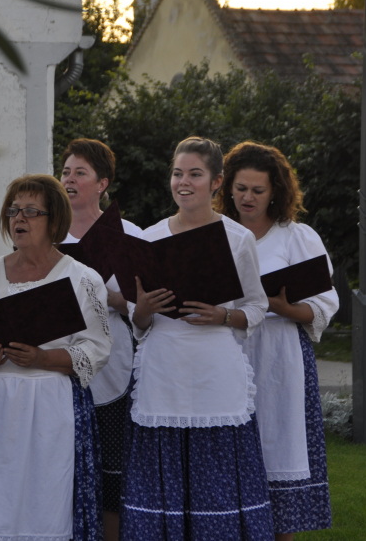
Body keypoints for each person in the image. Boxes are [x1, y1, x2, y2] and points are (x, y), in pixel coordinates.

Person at [0, 174, 112, 541]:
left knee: (45, 507)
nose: (19, 219)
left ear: (55, 220)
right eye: (13, 210)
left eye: (31, 211)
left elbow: (97, 349)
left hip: (51, 405)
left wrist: (43, 358)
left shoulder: (82, 279)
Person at [120, 137, 274, 540]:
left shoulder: (238, 238)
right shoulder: (149, 238)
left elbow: (257, 307)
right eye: (177, 173)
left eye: (194, 174)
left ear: (216, 181)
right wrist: (143, 310)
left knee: (216, 477)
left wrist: (223, 314)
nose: (183, 182)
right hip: (163, 368)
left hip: (215, 370)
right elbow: (139, 323)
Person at [216, 141, 338, 540]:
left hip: (278, 356)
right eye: (240, 188)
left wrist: (282, 306)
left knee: (276, 458)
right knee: (227, 465)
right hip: (227, 353)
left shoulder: (296, 238)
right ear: (227, 187)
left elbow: (323, 306)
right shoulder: (215, 235)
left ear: (276, 192)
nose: (247, 197)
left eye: (258, 190)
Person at [59, 138, 141, 541]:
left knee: (112, 475)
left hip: (113, 368)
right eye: (66, 172)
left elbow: (147, 307)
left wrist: (100, 294)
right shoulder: (45, 232)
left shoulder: (128, 235)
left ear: (102, 183)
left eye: (80, 173)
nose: (69, 179)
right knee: (60, 472)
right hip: (57, 365)